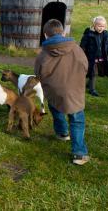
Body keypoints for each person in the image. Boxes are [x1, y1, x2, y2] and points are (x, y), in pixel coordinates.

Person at [34, 19, 90, 165]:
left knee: (56, 109)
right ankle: (79, 154)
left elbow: (38, 74)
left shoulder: (43, 55)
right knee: (77, 119)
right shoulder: (77, 49)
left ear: (45, 35)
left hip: (54, 91)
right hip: (75, 90)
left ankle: (62, 133)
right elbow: (85, 66)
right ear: (63, 32)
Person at [80, 16, 108, 97]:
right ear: (94, 25)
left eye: (103, 26)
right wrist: (81, 52)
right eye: (99, 26)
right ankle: (92, 90)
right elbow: (83, 44)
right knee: (92, 72)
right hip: (90, 57)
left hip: (100, 57)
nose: (101, 28)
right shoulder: (89, 34)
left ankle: (89, 84)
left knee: (94, 72)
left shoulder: (105, 35)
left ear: (105, 26)